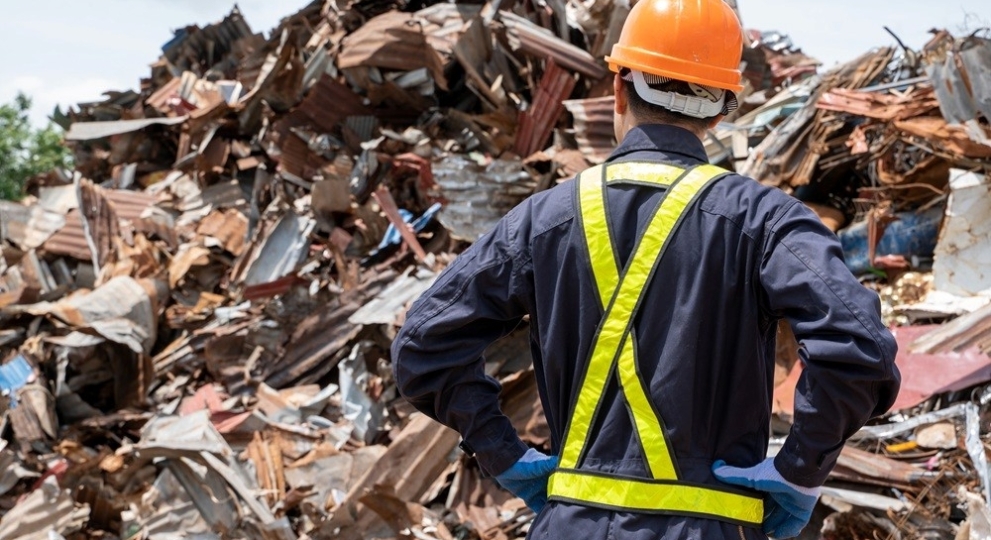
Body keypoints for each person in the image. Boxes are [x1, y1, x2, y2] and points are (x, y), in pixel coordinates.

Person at [391, 0, 901, 538]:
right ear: (722, 108)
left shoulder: (541, 220)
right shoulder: (765, 220)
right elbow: (858, 350)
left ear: (618, 88)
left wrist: (504, 453)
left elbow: (424, 344)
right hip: (709, 527)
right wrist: (800, 468)